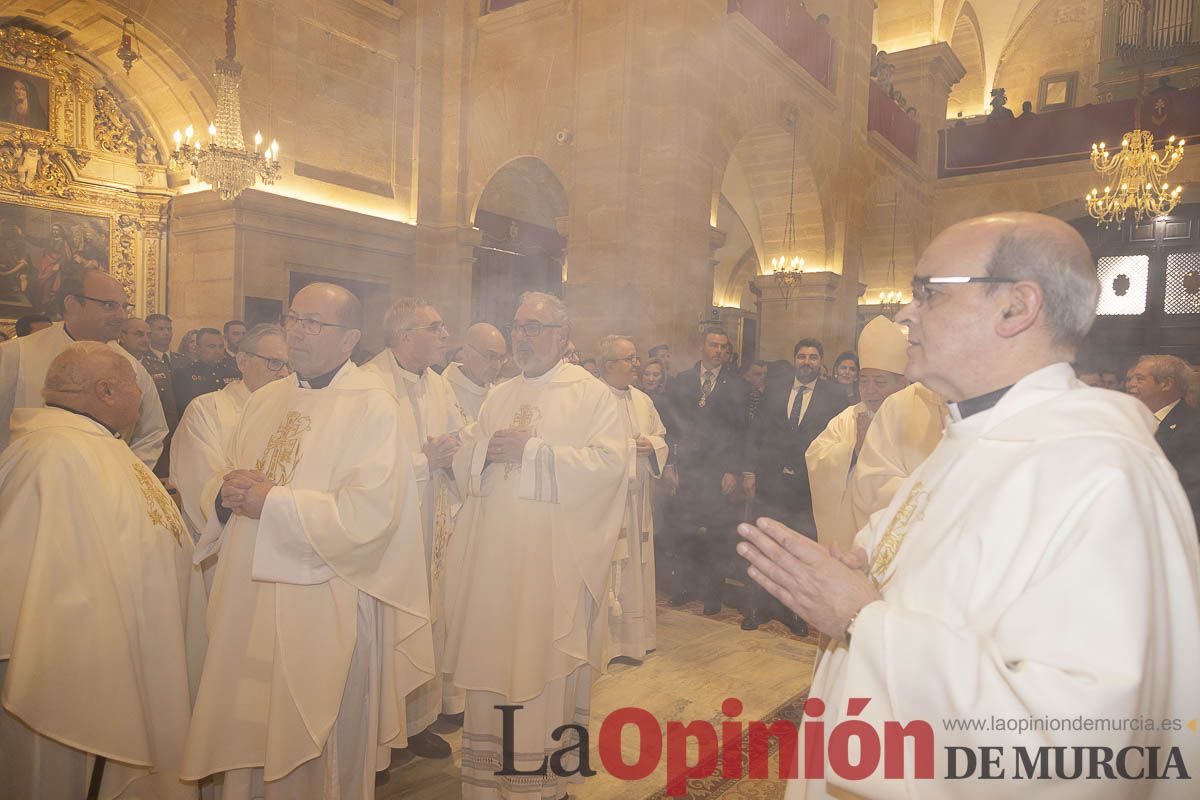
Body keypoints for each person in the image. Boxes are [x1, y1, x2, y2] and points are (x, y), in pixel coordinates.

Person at [737, 212, 1200, 798]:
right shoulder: (971, 437)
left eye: (927, 293)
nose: (905, 313)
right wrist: (865, 573)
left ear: (1016, 307)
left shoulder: (1101, 475)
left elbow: (1078, 745)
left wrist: (861, 618)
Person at [181, 283, 434, 798]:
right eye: (294, 318)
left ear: (350, 339)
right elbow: (234, 475)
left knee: (319, 747)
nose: (297, 331)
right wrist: (226, 492)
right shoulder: (266, 399)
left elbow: (371, 516)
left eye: (314, 323)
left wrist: (273, 502)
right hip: (248, 596)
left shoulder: (373, 407)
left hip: (326, 599)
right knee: (248, 726)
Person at [442, 291, 627, 799]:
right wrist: (477, 453)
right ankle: (487, 783)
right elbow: (471, 454)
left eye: (535, 328)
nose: (523, 337)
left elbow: (612, 468)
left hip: (552, 565)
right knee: (494, 661)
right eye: (518, 326)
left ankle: (541, 785)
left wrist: (536, 452)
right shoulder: (500, 393)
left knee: (541, 667)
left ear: (563, 338)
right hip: (493, 564)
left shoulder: (592, 395)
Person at [0, 342, 204, 800]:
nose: (141, 397)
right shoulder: (54, 454)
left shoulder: (94, 445)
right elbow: (50, 588)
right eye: (136, 386)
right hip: (82, 682)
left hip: (143, 651)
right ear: (107, 390)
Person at [364, 297, 466, 759]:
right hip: (387, 522)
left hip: (432, 515)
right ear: (405, 335)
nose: (445, 335)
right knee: (390, 621)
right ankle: (378, 737)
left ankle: (418, 720)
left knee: (430, 613)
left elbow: (456, 433)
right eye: (436, 327)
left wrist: (451, 448)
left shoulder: (439, 383)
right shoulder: (367, 384)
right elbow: (364, 466)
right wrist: (426, 460)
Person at [0, 268, 168, 469]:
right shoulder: (16, 355)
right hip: (32, 480)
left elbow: (152, 432)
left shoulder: (132, 367)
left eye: (124, 307)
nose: (122, 315)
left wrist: (122, 475)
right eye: (109, 306)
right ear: (72, 304)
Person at [741, 337, 849, 632]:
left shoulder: (835, 396)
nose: (806, 362)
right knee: (765, 545)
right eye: (801, 356)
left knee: (799, 550)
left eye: (813, 357)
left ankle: (796, 613)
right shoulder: (774, 390)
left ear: (821, 362)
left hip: (807, 487)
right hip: (771, 483)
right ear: (794, 359)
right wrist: (749, 471)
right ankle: (759, 608)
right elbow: (756, 432)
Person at [170, 324, 289, 553]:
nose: (284, 373)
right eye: (275, 363)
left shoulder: (292, 414)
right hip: (228, 547)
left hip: (280, 544)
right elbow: (201, 485)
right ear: (243, 362)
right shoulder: (206, 410)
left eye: (289, 365)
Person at [805, 317, 917, 554]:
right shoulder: (849, 417)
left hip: (892, 536)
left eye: (879, 382)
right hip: (847, 531)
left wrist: (871, 453)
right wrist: (853, 450)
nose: (869, 389)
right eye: (864, 381)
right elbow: (816, 455)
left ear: (902, 383)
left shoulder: (917, 420)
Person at [663, 327, 748, 613]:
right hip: (687, 468)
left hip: (718, 470)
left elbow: (740, 432)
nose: (718, 351)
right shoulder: (682, 381)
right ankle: (686, 587)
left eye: (724, 347)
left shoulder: (737, 384)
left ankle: (713, 594)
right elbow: (670, 428)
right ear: (702, 347)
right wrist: (670, 465)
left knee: (717, 535)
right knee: (685, 532)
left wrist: (732, 470)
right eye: (713, 345)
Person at [599, 335, 668, 662]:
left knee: (638, 565)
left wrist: (650, 447)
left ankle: (635, 639)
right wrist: (628, 449)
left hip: (638, 500)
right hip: (606, 501)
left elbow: (660, 437)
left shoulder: (643, 400)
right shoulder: (594, 398)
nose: (637, 364)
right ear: (610, 365)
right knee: (610, 565)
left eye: (636, 358)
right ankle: (607, 643)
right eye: (630, 359)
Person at [1128, 354, 1200, 530]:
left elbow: (1192, 490)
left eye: (1140, 378)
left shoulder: (1193, 426)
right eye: (1130, 379)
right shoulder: (1130, 419)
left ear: (1166, 384)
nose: (1131, 385)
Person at [120, 316, 179, 431]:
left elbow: (169, 411)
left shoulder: (159, 368)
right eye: (139, 334)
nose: (146, 339)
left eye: (149, 335)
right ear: (122, 337)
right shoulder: (112, 365)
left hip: (153, 434)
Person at [443, 322, 507, 423]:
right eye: (491, 356)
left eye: (501, 358)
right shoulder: (442, 389)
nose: (497, 366)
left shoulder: (498, 395)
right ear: (467, 351)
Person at [172, 327, 233, 414]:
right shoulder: (184, 374)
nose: (218, 351)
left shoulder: (233, 372)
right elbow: (182, 409)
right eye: (211, 347)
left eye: (221, 346)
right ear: (198, 349)